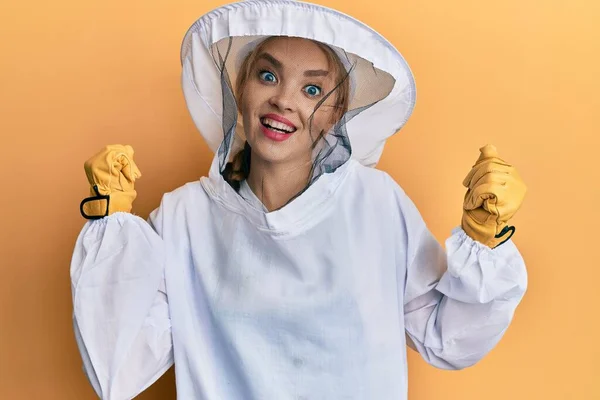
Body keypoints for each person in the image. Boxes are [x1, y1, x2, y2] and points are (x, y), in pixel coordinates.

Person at [70, 1, 528, 399]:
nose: (284, 101)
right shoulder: (183, 217)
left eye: (312, 89)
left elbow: (447, 338)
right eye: (268, 76)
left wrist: (485, 239)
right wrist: (110, 227)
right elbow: (118, 367)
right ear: (241, 90)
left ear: (334, 113)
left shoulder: (376, 203)